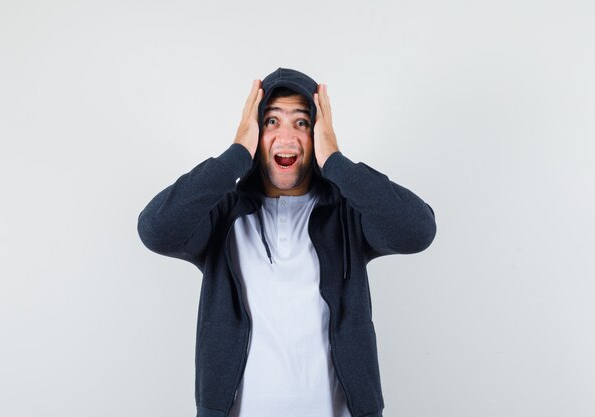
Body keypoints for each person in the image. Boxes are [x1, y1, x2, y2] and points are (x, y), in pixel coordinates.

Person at [137, 67, 437, 417]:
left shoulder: (346, 214)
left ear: (319, 133)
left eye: (302, 123)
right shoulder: (223, 216)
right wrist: (235, 154)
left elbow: (418, 230)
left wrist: (336, 162)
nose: (287, 137)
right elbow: (155, 229)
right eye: (271, 122)